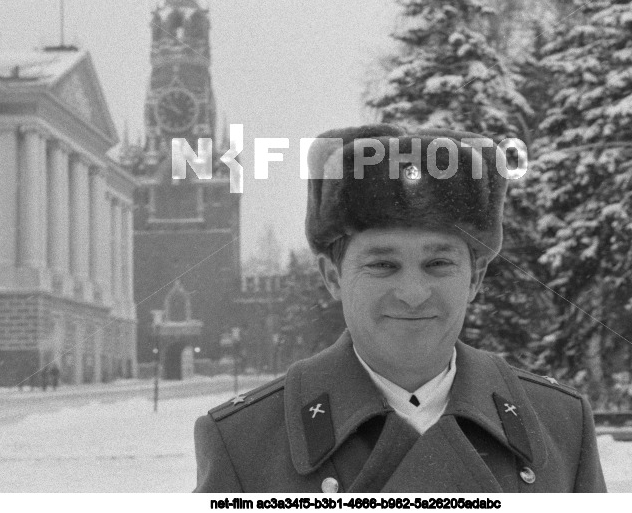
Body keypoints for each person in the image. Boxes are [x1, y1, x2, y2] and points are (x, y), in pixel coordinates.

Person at [194, 125, 607, 493]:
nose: (413, 293)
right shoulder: (244, 444)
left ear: (476, 279)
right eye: (383, 265)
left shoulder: (559, 426)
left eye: (438, 264)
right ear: (333, 277)